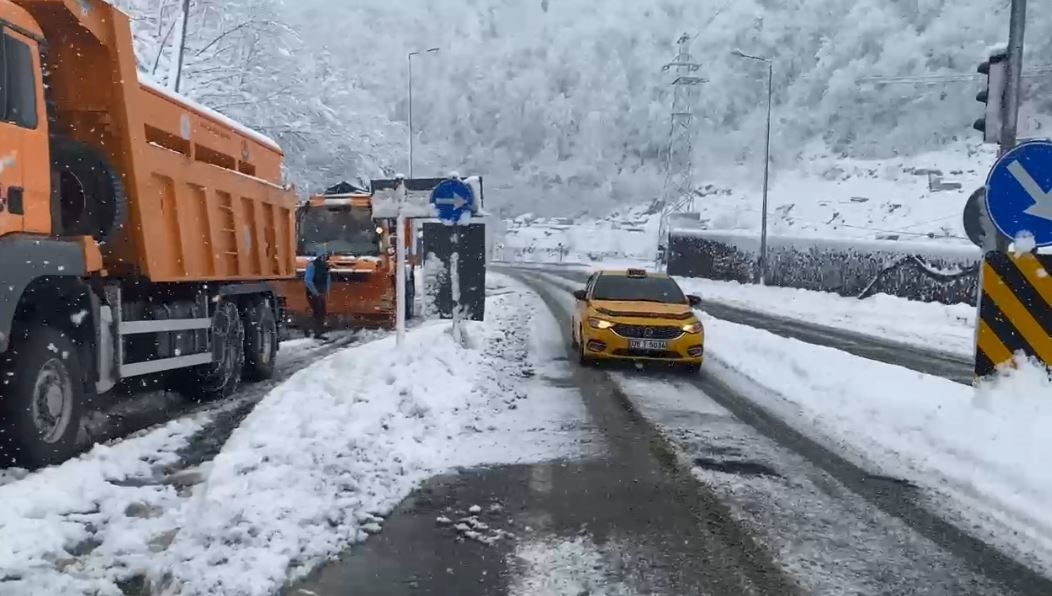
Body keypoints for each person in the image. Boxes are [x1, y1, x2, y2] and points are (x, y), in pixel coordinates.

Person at [304, 252, 331, 339]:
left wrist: (326, 292)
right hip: (313, 292)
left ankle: (317, 332)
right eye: (325, 255)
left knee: (321, 312)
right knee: (318, 312)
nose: (327, 257)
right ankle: (311, 330)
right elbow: (308, 280)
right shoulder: (312, 265)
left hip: (320, 292)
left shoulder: (325, 266)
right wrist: (315, 292)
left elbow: (327, 280)